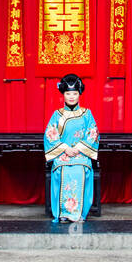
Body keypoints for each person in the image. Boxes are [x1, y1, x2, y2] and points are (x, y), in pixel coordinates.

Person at [43, 73, 99, 223]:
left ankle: (79, 213)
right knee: (62, 169)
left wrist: (79, 148)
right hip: (63, 153)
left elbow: (92, 134)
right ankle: (63, 213)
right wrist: (65, 148)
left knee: (81, 169)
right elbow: (50, 135)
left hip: (81, 153)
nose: (72, 97)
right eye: (68, 93)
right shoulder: (57, 115)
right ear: (63, 94)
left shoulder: (87, 114)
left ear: (79, 94)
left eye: (74, 93)